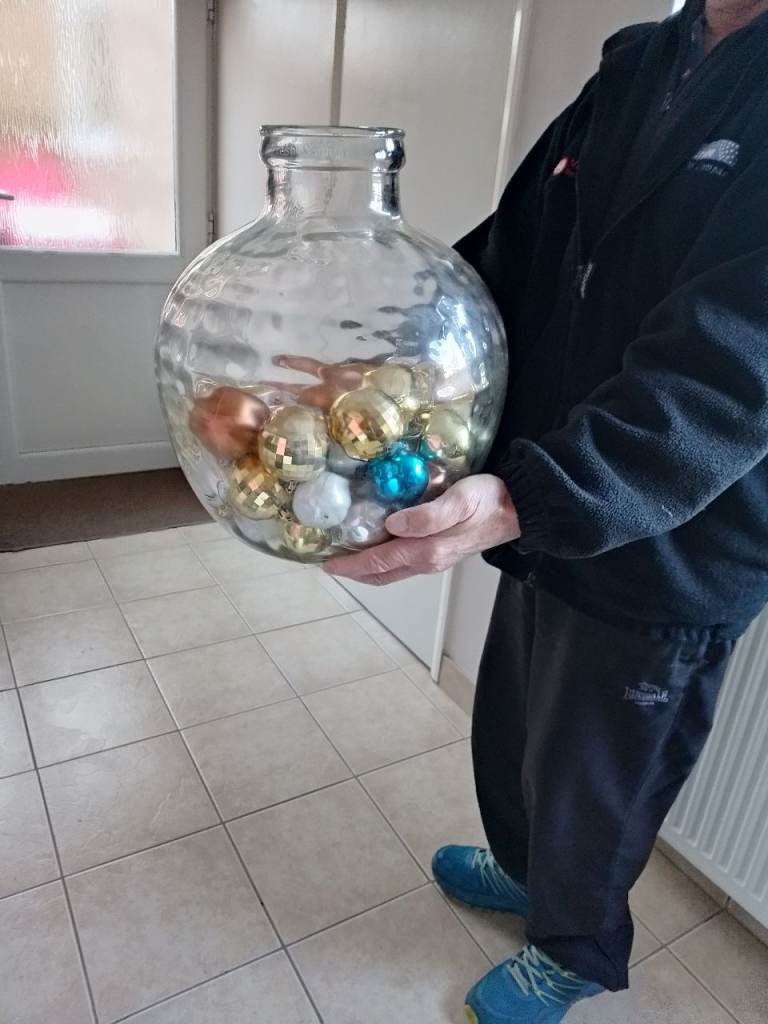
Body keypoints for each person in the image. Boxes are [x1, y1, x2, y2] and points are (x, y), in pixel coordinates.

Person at [324, 0, 768, 1019]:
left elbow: (729, 368)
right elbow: (521, 245)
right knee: (520, 721)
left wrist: (531, 495)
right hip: (553, 499)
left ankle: (577, 948)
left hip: (673, 541)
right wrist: (405, 352)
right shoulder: (643, 58)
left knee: (599, 778)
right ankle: (529, 872)